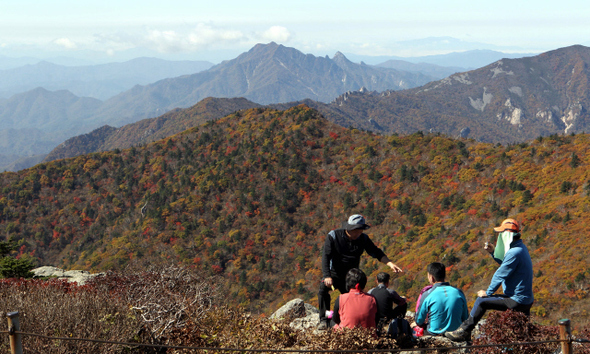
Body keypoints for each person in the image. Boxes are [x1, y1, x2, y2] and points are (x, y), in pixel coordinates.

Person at [445, 218, 534, 342]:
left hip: (516, 300)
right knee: (522, 335)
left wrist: (488, 292)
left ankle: (463, 332)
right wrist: (493, 252)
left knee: (481, 301)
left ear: (507, 235)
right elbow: (506, 265)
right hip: (526, 299)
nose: (500, 237)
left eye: (501, 234)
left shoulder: (514, 252)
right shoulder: (520, 248)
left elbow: (500, 274)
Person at [317, 214, 403, 330]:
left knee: (353, 299)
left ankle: (349, 322)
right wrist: (327, 276)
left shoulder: (363, 239)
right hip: (334, 275)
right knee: (323, 290)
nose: (359, 234)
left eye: (361, 231)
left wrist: (390, 263)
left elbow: (376, 252)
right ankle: (324, 319)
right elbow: (326, 257)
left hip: (351, 277)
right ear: (350, 228)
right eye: (357, 231)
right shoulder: (334, 236)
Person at [411, 262, 468, 336]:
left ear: (431, 278)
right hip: (456, 333)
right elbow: (465, 318)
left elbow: (419, 320)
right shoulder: (459, 292)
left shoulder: (427, 294)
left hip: (434, 333)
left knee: (413, 331)